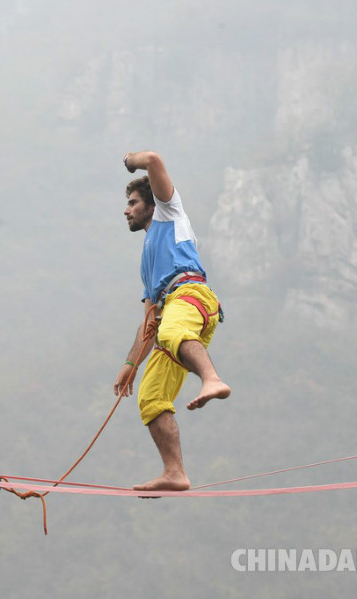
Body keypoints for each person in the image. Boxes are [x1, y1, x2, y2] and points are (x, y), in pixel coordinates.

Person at [113, 150, 231, 492]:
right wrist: (130, 363)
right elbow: (149, 322)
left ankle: (211, 379)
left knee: (173, 328)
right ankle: (175, 472)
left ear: (151, 204)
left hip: (191, 296)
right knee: (150, 396)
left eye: (133, 202)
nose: (126, 210)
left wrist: (133, 160)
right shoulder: (147, 263)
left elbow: (153, 159)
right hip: (172, 314)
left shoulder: (169, 212)